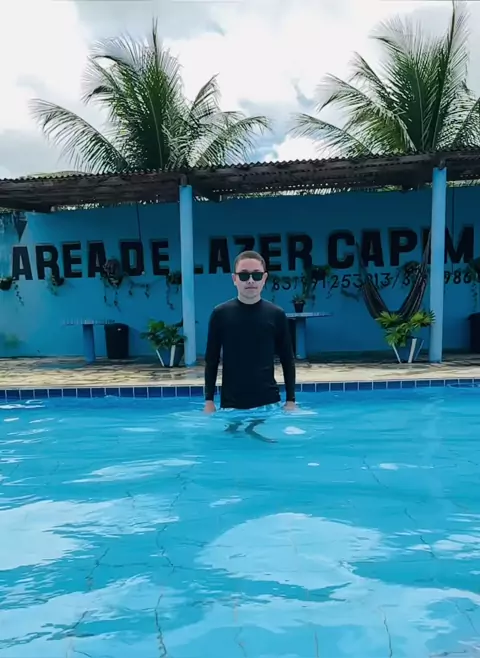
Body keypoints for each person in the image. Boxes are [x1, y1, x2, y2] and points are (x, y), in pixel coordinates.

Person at [203, 250, 297, 413]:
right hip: (231, 405)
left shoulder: (276, 314)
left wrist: (290, 400)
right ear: (234, 279)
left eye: (257, 275)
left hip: (269, 403)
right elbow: (211, 359)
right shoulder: (220, 314)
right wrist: (209, 401)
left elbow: (287, 359)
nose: (251, 280)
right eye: (244, 275)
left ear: (264, 278)